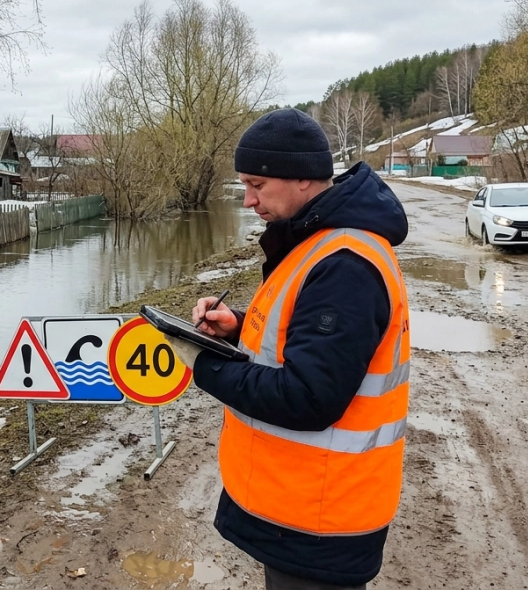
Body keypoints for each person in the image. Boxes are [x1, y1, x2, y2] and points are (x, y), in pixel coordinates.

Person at [168, 109, 410, 590]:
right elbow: (302, 341)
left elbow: (307, 397)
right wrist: (237, 328)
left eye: (257, 183)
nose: (248, 199)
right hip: (302, 506)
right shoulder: (315, 241)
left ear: (302, 177)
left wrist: (201, 363)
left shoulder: (343, 263)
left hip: (322, 515)